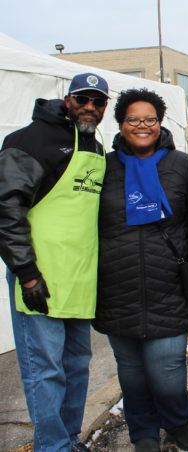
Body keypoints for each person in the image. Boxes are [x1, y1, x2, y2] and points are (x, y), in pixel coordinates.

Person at [0, 73, 109, 452]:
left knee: (77, 366)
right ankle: (52, 446)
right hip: (40, 278)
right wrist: (27, 274)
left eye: (98, 101)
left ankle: (69, 438)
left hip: (79, 278)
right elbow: (6, 211)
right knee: (45, 371)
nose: (90, 107)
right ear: (68, 100)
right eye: (83, 99)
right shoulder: (29, 141)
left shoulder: (95, 146)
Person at [93, 89, 188, 452]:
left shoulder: (182, 165)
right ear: (120, 125)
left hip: (167, 285)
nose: (142, 125)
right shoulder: (103, 168)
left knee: (167, 371)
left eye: (150, 119)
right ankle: (143, 430)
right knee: (133, 374)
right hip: (116, 286)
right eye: (133, 119)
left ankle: (177, 418)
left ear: (160, 123)